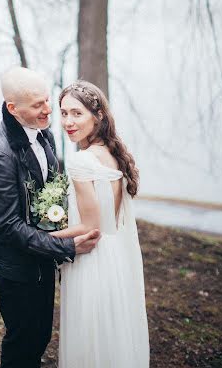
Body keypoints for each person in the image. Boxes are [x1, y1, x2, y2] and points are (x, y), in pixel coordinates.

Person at [0, 67, 100, 368]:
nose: (48, 110)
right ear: (13, 108)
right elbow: (9, 228)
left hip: (40, 261)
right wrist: (67, 248)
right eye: (37, 105)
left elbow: (47, 197)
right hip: (16, 270)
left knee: (40, 337)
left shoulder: (45, 135)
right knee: (23, 344)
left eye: (47, 100)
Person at [51, 80, 150, 368]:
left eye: (77, 113)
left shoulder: (82, 161)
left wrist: (43, 237)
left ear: (98, 116)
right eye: (64, 113)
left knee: (89, 338)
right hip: (115, 256)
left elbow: (89, 225)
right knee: (111, 334)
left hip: (91, 259)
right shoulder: (112, 153)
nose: (68, 121)